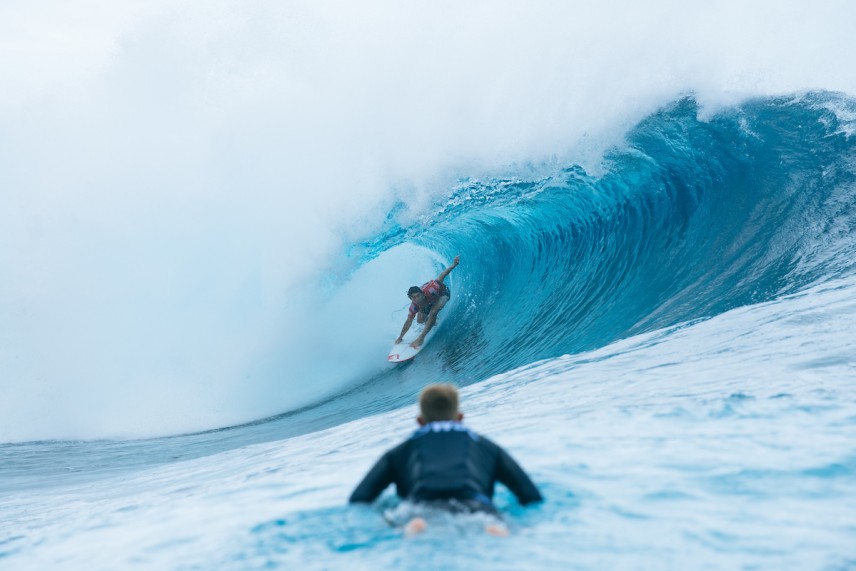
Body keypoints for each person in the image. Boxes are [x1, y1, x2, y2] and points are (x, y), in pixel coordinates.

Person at [349, 383, 543, 535]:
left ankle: (413, 528)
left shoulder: (399, 452)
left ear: (420, 422)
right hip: (475, 506)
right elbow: (530, 495)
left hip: (421, 505)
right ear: (460, 417)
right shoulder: (487, 447)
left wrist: (387, 515)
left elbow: (360, 498)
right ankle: (496, 530)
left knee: (410, 521)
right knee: (494, 523)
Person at [396, 256, 460, 349]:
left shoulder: (432, 288)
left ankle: (421, 337)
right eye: (413, 298)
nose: (416, 299)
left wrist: (454, 265)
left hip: (443, 294)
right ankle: (433, 321)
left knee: (433, 312)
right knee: (420, 320)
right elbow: (408, 322)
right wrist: (400, 338)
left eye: (418, 296)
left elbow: (442, 275)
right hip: (428, 302)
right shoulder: (414, 306)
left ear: (422, 293)